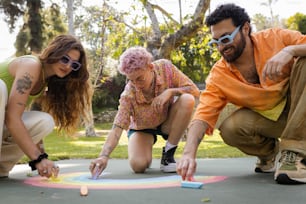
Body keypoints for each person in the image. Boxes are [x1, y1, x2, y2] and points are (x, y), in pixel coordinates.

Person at [176, 3, 306, 185]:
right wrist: (188, 154)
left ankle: (294, 154)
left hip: (302, 110)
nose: (222, 47)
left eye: (226, 38)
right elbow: (202, 115)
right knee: (231, 128)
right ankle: (270, 154)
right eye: (216, 42)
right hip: (279, 120)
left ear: (245, 28)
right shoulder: (219, 75)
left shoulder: (276, 38)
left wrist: (290, 50)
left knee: (304, 61)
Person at [89, 46, 200, 177]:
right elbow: (117, 127)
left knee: (187, 99)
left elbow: (194, 90)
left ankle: (168, 155)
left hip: (167, 120)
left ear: (150, 67)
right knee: (139, 165)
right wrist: (103, 155)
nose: (137, 85)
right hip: (142, 128)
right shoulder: (128, 94)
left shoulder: (165, 68)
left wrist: (170, 92)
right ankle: (145, 151)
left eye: (140, 79)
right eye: (131, 80)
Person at [0, 34, 91, 178]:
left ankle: (1, 167)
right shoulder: (31, 65)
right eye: (65, 59)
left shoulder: (44, 82)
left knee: (44, 121)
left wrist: (43, 158)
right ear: (54, 52)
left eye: (74, 65)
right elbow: (12, 118)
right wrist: (38, 159)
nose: (68, 66)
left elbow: (20, 123)